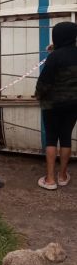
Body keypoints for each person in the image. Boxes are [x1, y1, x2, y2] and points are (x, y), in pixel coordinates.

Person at [35, 21, 77, 189]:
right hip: (73, 104)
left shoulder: (54, 57)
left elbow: (44, 83)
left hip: (52, 105)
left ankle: (50, 179)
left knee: (51, 138)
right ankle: (62, 175)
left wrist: (38, 95)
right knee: (66, 137)